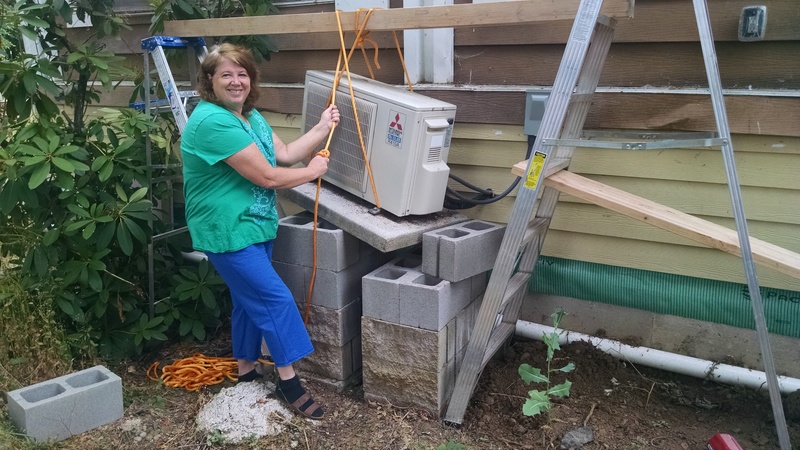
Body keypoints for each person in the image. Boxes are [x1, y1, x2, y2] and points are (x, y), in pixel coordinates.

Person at [180, 42, 339, 420]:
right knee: (274, 300)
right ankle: (290, 382)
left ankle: (247, 371)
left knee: (247, 302)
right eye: (226, 75)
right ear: (209, 81)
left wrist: (321, 127)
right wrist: (312, 173)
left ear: (251, 80)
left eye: (242, 74)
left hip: (255, 225)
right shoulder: (212, 122)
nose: (236, 82)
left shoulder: (249, 117)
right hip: (227, 231)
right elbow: (269, 176)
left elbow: (283, 155)